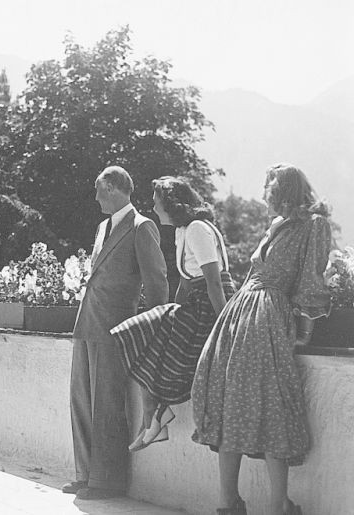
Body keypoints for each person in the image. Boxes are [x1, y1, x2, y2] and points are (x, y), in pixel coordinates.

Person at [191, 164, 331, 515]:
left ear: (282, 189)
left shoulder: (313, 224)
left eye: (268, 187)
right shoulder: (275, 224)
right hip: (241, 312)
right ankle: (230, 503)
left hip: (268, 313)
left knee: (269, 404)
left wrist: (304, 332)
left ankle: (278, 505)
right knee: (227, 399)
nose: (263, 194)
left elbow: (311, 280)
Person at [63, 166, 168, 500]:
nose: (95, 198)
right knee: (80, 399)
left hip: (116, 327)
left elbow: (157, 281)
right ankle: (86, 474)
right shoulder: (102, 227)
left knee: (108, 404)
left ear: (112, 189)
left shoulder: (142, 227)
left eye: (98, 190)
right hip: (87, 324)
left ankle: (107, 482)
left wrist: (153, 326)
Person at [110, 176, 236, 452]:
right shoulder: (182, 231)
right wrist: (171, 313)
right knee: (148, 335)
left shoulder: (197, 229)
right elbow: (186, 281)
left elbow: (214, 281)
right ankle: (153, 418)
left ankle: (154, 419)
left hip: (210, 306)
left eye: (157, 204)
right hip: (196, 302)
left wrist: (225, 325)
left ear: (172, 205)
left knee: (146, 334)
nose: (153, 209)